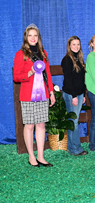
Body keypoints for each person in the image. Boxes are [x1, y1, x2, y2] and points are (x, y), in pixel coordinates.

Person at [13, 23, 55, 167]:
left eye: (35, 35)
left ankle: (41, 156)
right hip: (27, 95)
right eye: (30, 35)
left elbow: (47, 73)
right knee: (29, 126)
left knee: (41, 124)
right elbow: (16, 77)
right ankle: (31, 156)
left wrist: (51, 92)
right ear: (26, 38)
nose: (32, 38)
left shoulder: (43, 53)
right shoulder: (20, 54)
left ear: (38, 38)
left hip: (43, 93)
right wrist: (29, 73)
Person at [61, 36, 88, 156]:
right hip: (71, 93)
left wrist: (83, 95)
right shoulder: (67, 60)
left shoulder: (80, 59)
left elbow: (82, 79)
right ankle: (75, 149)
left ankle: (72, 147)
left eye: (78, 44)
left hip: (79, 93)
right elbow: (68, 79)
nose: (76, 47)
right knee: (73, 121)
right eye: (74, 44)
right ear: (69, 46)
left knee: (73, 121)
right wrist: (74, 96)